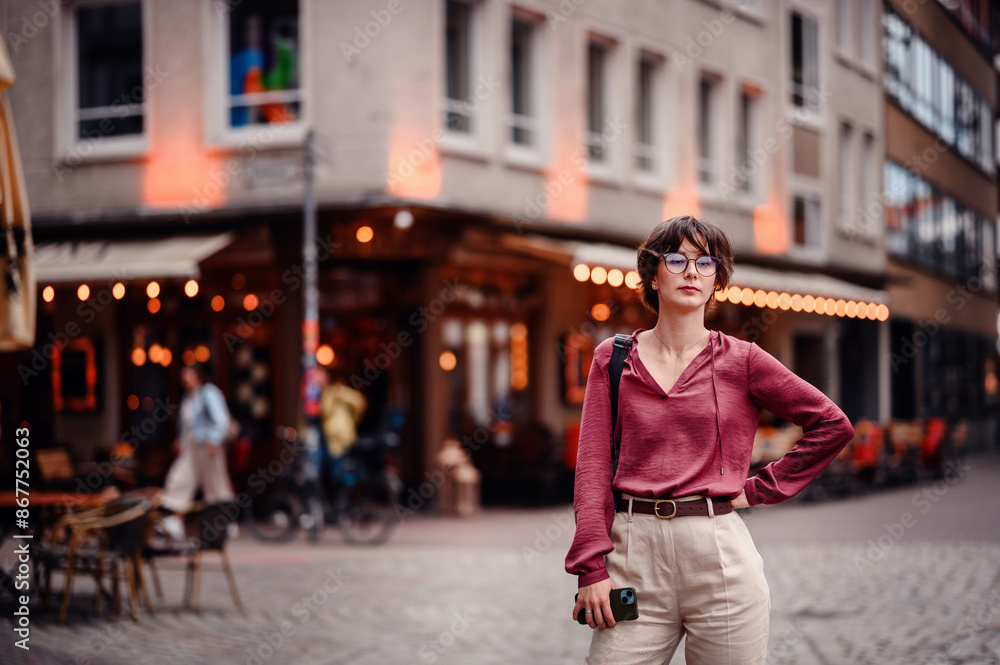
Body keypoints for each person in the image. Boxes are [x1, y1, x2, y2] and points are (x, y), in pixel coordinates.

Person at [566, 215, 855, 664]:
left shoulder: (743, 360)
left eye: (705, 263)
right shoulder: (613, 357)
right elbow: (593, 469)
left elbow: (832, 424)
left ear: (717, 279)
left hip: (719, 556)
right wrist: (590, 566)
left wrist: (759, 490)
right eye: (676, 259)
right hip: (633, 554)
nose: (690, 272)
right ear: (652, 274)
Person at [158, 364, 237, 540]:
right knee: (180, 479)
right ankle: (175, 520)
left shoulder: (208, 392)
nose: (185, 379)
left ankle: (225, 522)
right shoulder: (189, 396)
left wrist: (215, 439)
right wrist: (180, 440)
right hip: (191, 448)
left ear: (197, 375)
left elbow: (221, 419)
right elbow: (187, 424)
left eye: (188, 374)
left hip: (207, 446)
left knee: (216, 486)